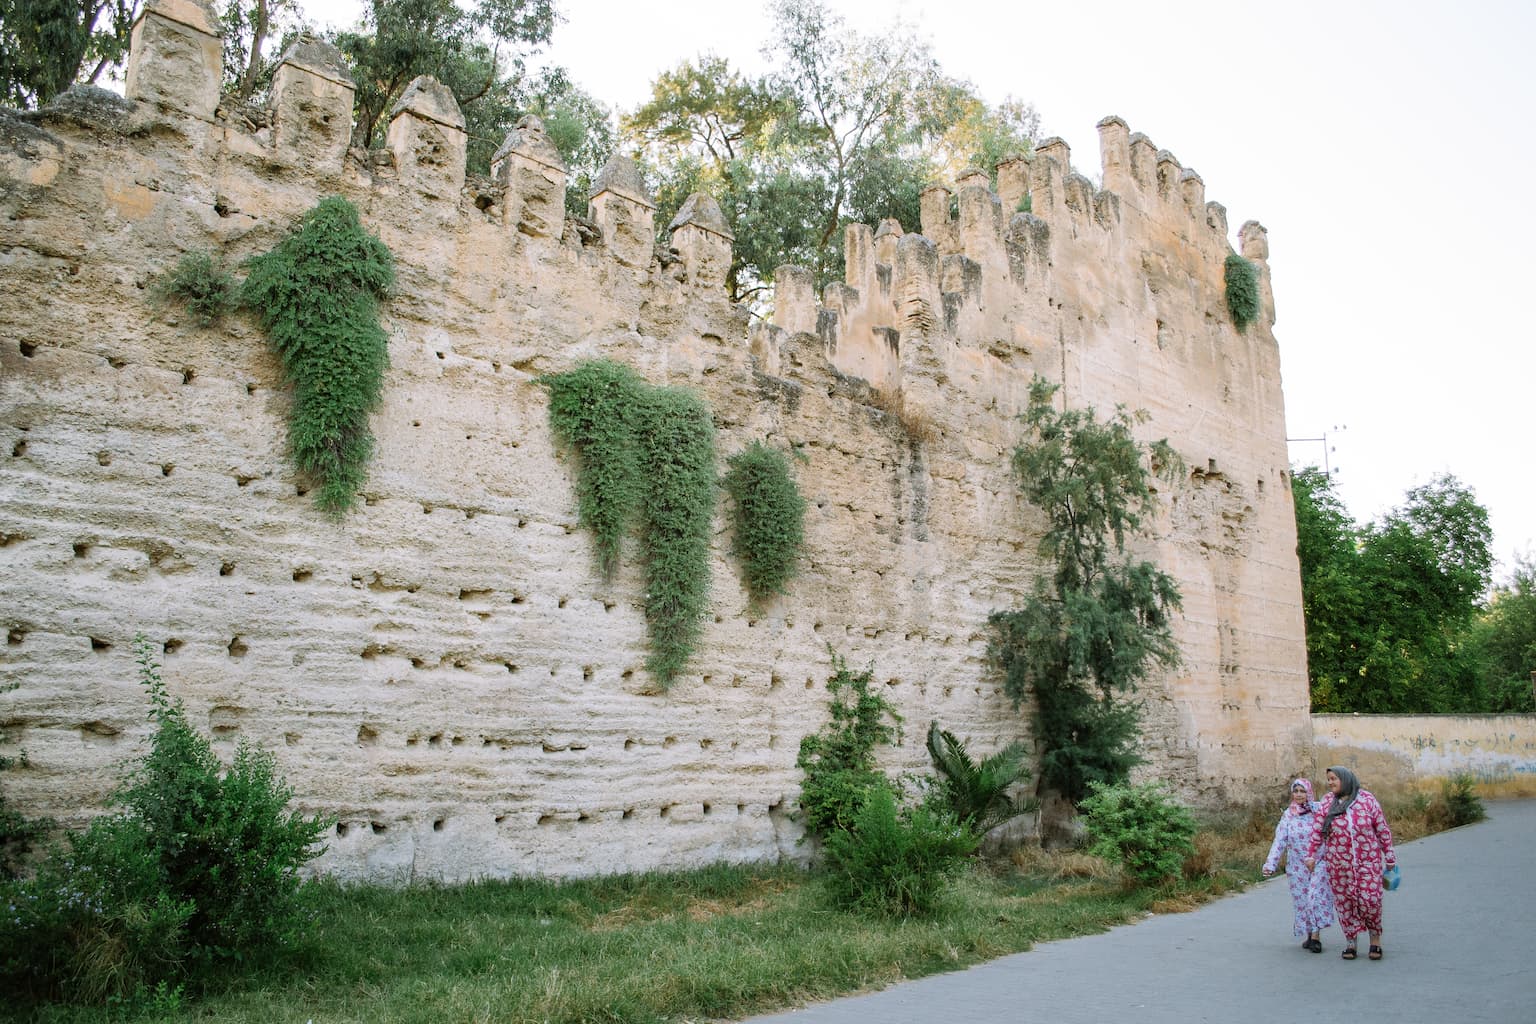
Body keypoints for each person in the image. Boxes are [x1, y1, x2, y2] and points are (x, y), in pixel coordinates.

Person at [1304, 765, 1397, 961]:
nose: (1330, 783)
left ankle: (1375, 939)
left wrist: (1389, 856)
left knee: (1370, 900)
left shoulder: (1366, 800)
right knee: (1345, 903)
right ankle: (1351, 942)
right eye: (1328, 779)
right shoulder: (1328, 802)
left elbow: (1382, 829)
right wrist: (1311, 854)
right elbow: (1317, 831)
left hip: (1367, 861)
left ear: (1345, 779)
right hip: (1338, 864)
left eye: (1334, 778)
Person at [1262, 778, 1335, 951]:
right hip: (1297, 866)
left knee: (1314, 898)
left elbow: (1333, 821)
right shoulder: (1289, 814)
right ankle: (1309, 934)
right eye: (1296, 791)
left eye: (1303, 791)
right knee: (1302, 901)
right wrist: (1270, 864)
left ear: (1309, 792)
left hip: (1318, 862)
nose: (1299, 795)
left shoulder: (1318, 810)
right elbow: (1279, 840)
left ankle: (1316, 938)